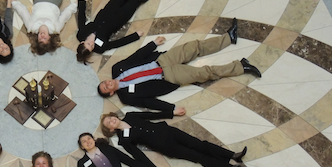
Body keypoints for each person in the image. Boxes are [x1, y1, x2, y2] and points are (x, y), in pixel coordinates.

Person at [97, 18, 262, 114]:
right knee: (204, 73)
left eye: (104, 83)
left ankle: (229, 38)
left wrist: (153, 44)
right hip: (168, 77)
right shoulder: (126, 97)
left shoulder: (116, 69)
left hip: (162, 60)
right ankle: (241, 67)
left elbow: (136, 57)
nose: (107, 84)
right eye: (106, 88)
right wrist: (171, 109)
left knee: (194, 47)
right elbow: (149, 103)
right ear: (111, 93)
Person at [101, 111, 246, 167]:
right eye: (108, 123)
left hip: (169, 132)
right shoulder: (124, 140)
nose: (111, 120)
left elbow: (151, 115)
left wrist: (172, 112)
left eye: (110, 118)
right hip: (166, 147)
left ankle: (233, 155)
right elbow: (137, 155)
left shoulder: (130, 115)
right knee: (197, 156)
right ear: (111, 129)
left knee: (200, 145)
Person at [76, 0, 166, 64]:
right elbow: (117, 43)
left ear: (83, 42)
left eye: (88, 44)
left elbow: (81, 19)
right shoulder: (100, 48)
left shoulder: (81, 34)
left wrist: (81, 3)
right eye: (91, 47)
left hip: (108, 10)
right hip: (120, 18)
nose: (92, 44)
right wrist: (135, 35)